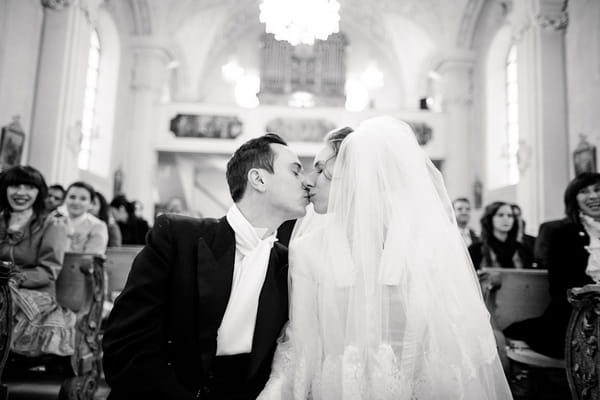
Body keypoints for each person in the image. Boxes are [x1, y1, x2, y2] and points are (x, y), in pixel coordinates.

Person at [259, 117, 512, 399]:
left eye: (320, 169)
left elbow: (448, 339)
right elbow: (302, 341)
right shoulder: (306, 249)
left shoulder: (420, 247)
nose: (308, 180)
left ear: (354, 177)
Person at [102, 133, 309, 400]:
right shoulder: (177, 238)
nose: (306, 183)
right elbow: (125, 346)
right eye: (295, 172)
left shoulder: (289, 265)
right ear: (258, 179)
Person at [504, 173, 599, 358]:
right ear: (574, 198)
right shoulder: (562, 233)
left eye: (597, 190)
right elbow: (560, 286)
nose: (593, 196)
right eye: (584, 191)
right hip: (575, 315)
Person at [0, 166, 74, 356]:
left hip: (35, 291)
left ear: (39, 192)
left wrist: (13, 280)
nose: (21, 193)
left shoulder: (52, 223)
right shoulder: (1, 219)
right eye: (15, 186)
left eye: (29, 187)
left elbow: (49, 271)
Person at [468, 201, 534, 269]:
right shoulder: (476, 249)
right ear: (490, 219)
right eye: (500, 215)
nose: (506, 219)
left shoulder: (522, 249)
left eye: (510, 215)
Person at [63, 182, 108, 254]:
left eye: (83, 199)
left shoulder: (98, 226)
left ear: (91, 203)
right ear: (65, 199)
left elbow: (91, 258)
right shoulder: (56, 222)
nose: (76, 202)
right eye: (72, 197)